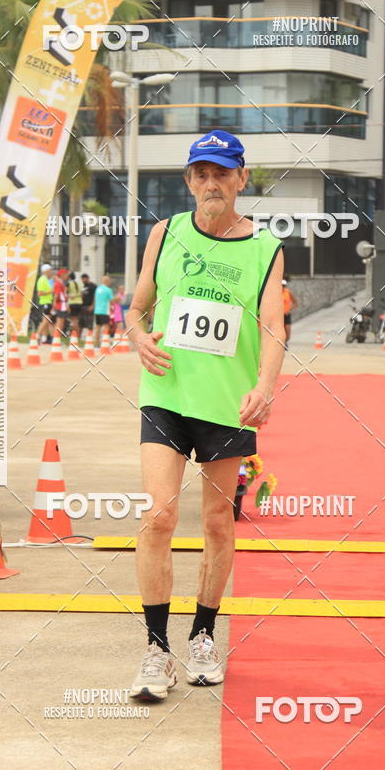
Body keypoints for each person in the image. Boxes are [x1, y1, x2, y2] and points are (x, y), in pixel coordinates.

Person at [125, 129, 285, 701]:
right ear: (189, 181)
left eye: (222, 173)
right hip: (166, 394)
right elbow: (136, 308)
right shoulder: (164, 233)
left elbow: (273, 327)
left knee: (218, 522)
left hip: (226, 404)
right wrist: (138, 337)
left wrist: (265, 386)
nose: (211, 183)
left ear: (242, 178)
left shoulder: (265, 248)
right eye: (201, 174)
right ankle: (156, 649)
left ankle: (202, 637)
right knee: (158, 516)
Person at [35, 263, 55, 343]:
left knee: (46, 321)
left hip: (47, 302)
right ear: (46, 271)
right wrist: (51, 291)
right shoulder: (42, 280)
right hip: (45, 302)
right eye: (50, 270)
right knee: (46, 321)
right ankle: (37, 336)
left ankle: (44, 338)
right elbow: (39, 293)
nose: (51, 272)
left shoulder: (46, 279)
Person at [93, 274, 114, 347]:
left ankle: (97, 342)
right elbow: (112, 301)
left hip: (97, 311)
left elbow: (95, 299)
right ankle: (105, 342)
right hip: (104, 311)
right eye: (109, 280)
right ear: (107, 281)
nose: (110, 282)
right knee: (106, 326)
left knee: (98, 327)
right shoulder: (108, 290)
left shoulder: (98, 289)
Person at [282, 276, 298, 350]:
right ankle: (282, 344)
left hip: (287, 315)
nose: (282, 287)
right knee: (280, 332)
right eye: (281, 285)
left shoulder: (288, 292)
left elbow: (295, 303)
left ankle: (285, 341)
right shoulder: (276, 293)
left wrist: (289, 309)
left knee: (288, 333)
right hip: (279, 316)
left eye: (284, 285)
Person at [53, 268, 69, 337]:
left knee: (61, 323)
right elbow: (57, 295)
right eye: (66, 274)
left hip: (62, 305)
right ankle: (56, 338)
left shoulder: (61, 283)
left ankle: (57, 338)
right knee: (59, 323)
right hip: (60, 305)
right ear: (62, 275)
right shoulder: (59, 283)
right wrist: (54, 305)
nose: (67, 276)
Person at [67, 271, 83, 338]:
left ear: (69, 277)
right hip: (79, 303)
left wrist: (70, 296)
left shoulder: (68, 283)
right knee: (77, 320)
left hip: (72, 303)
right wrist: (77, 295)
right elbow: (82, 294)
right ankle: (78, 335)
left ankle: (75, 335)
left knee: (74, 320)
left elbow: (66, 294)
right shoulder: (79, 283)